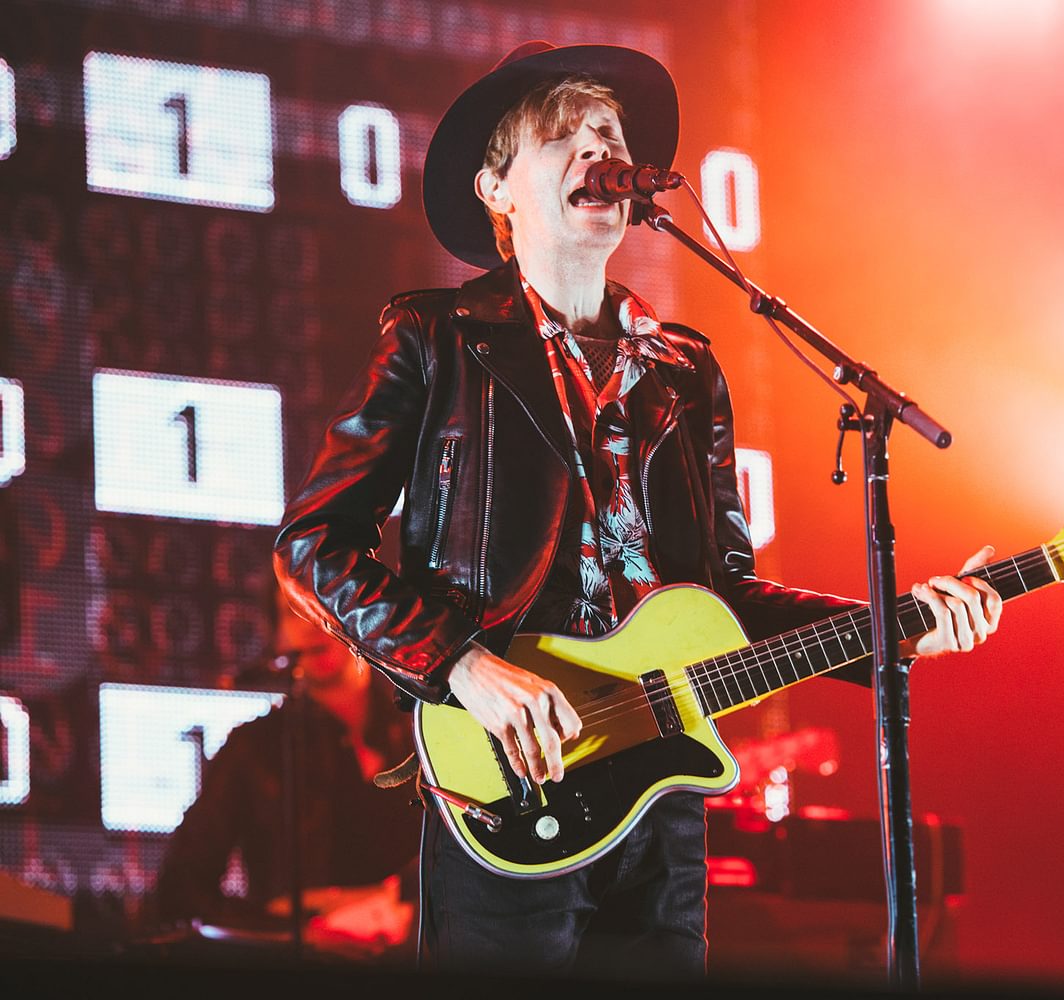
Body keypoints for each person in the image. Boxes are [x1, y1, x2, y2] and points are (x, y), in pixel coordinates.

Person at [272, 40, 1003, 979]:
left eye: (609, 135)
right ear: (497, 189)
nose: (597, 152)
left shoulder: (685, 370)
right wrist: (461, 667)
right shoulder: (435, 339)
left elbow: (724, 603)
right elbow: (311, 544)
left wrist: (900, 629)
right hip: (508, 774)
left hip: (661, 798)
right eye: (563, 137)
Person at [149, 596, 421, 961]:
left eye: (324, 601)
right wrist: (295, 934)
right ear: (277, 635)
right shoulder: (253, 746)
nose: (310, 622)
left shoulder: (419, 734)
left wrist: (395, 905)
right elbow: (180, 889)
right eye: (293, 611)